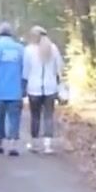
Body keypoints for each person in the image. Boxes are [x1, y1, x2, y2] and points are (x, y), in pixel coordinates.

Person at [0, 22, 27, 155]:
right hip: (15, 91)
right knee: (14, 119)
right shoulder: (20, 49)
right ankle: (13, 146)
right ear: (11, 34)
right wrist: (23, 85)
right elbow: (25, 69)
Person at [22, 26, 66, 154]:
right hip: (50, 87)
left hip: (34, 87)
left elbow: (25, 71)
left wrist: (24, 84)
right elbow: (59, 67)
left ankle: (34, 143)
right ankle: (48, 145)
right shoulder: (53, 48)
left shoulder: (29, 50)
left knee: (35, 116)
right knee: (48, 116)